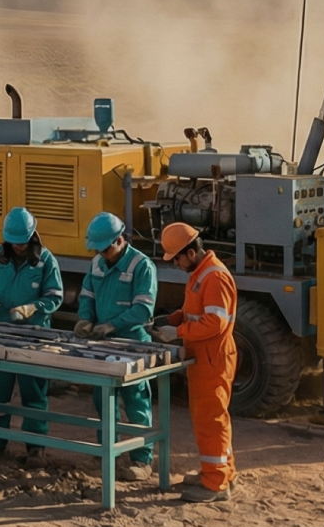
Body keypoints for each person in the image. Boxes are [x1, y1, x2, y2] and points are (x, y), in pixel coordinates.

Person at [154, 222, 238, 502]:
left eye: (176, 258)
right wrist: (174, 318)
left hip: (212, 358)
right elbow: (196, 311)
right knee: (213, 418)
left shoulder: (213, 277)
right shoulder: (201, 272)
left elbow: (215, 322)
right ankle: (221, 472)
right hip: (206, 357)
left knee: (210, 420)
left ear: (190, 252)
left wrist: (176, 332)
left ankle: (215, 483)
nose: (175, 263)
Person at [0, 206, 64, 462]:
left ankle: (35, 447)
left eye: (22, 243)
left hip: (34, 337)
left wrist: (34, 307)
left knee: (33, 392)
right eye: (13, 243)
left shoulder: (46, 261)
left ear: (32, 236)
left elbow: (56, 296)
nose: (18, 248)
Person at [72, 211, 157, 481]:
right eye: (97, 250)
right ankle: (107, 453)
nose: (101, 254)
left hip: (132, 343)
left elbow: (143, 310)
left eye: (105, 248)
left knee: (136, 403)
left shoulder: (141, 266)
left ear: (120, 240)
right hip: (103, 344)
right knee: (103, 401)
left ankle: (143, 461)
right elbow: (87, 294)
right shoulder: (98, 263)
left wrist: (112, 324)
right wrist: (85, 318)